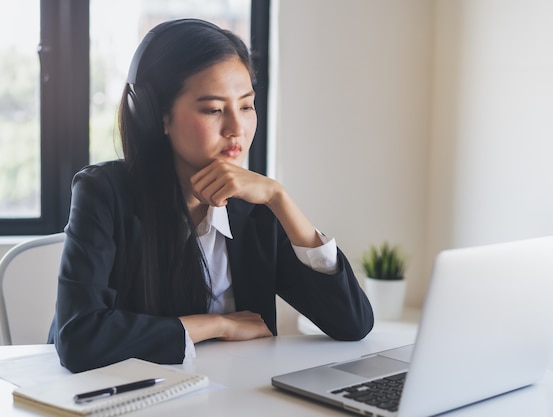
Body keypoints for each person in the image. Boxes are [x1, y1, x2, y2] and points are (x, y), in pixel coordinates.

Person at [48, 18, 374, 373]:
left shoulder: (257, 204)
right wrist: (217, 325)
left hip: (237, 397)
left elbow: (352, 324)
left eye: (246, 105)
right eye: (214, 109)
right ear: (158, 117)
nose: (237, 128)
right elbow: (80, 339)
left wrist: (280, 198)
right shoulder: (104, 194)